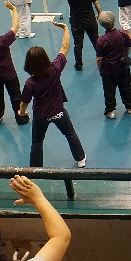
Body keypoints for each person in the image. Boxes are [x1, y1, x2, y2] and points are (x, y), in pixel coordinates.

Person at [18, 22, 87, 168]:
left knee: (37, 141)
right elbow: (65, 47)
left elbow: (24, 102)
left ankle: (36, 168)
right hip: (58, 111)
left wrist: (22, 113)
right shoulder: (55, 69)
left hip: (41, 116)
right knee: (70, 133)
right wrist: (66, 29)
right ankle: (80, 158)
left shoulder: (30, 83)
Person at [50, 0, 100, 71]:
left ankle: (79, 64)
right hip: (91, 21)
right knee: (96, 41)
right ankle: (103, 57)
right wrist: (99, 13)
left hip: (77, 23)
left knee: (78, 45)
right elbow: (96, 3)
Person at [95, 10, 131, 118]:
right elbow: (128, 45)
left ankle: (110, 111)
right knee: (126, 87)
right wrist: (125, 55)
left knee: (109, 91)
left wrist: (100, 69)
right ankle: (130, 106)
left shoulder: (101, 41)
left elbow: (99, 58)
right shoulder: (122, 33)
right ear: (114, 20)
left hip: (108, 69)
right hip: (123, 66)